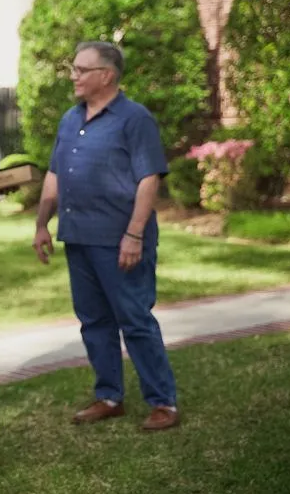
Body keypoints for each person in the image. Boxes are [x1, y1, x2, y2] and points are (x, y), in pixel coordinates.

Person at [33, 41, 180, 431]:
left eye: (82, 70)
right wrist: (41, 223)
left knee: (134, 318)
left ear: (107, 76)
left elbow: (149, 178)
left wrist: (134, 234)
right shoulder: (70, 119)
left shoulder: (135, 119)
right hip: (78, 236)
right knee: (93, 320)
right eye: (74, 69)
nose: (74, 76)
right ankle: (109, 396)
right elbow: (55, 174)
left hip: (120, 240)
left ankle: (163, 402)